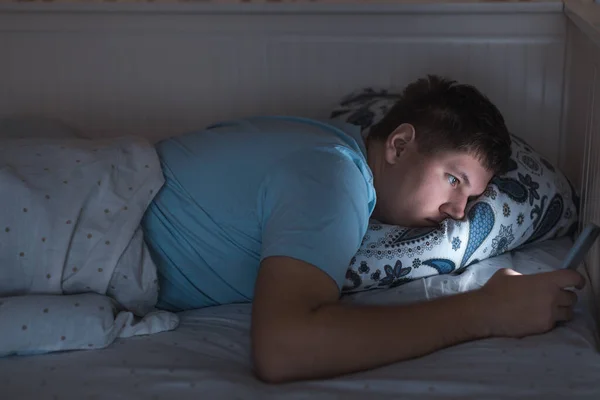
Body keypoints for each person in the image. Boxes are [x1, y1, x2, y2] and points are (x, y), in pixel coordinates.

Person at [141, 75, 585, 383]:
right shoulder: (336, 176)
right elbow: (283, 350)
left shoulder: (330, 146)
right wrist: (485, 312)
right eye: (454, 180)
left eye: (471, 199)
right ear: (399, 144)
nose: (458, 213)